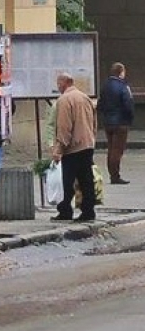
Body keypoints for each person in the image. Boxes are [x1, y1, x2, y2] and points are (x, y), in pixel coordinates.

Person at [50, 72, 97, 222]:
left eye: (59, 83)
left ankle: (65, 210)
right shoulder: (85, 97)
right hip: (87, 144)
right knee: (86, 180)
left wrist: (59, 149)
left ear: (66, 82)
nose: (58, 86)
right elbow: (94, 122)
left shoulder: (64, 100)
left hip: (73, 147)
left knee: (67, 180)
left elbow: (64, 127)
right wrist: (91, 138)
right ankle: (88, 211)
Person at [97, 62, 134, 184]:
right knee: (118, 150)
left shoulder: (105, 85)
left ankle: (112, 174)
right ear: (121, 72)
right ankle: (115, 176)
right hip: (121, 122)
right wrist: (130, 118)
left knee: (111, 148)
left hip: (108, 122)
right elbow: (128, 104)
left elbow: (100, 104)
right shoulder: (123, 86)